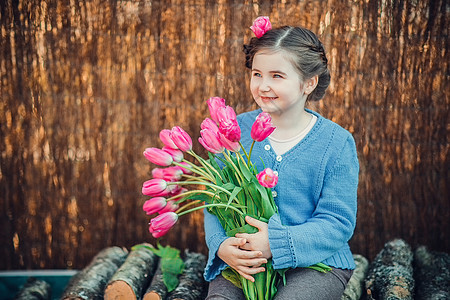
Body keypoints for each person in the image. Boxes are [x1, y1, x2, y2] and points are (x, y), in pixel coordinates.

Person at [204, 17, 359, 300]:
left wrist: (276, 243)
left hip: (315, 264)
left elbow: (337, 222)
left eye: (277, 76)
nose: (263, 86)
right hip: (244, 260)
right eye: (257, 74)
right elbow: (214, 200)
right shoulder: (234, 132)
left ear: (308, 83)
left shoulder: (335, 143)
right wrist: (222, 245)